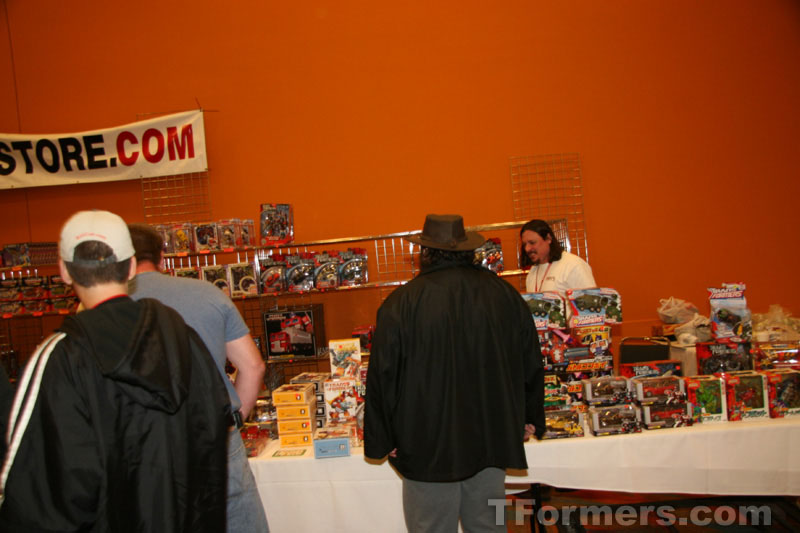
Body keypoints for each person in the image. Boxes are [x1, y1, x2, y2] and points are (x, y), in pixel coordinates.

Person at [0, 210, 230, 531]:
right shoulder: (185, 340)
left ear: (64, 271)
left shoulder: (58, 358)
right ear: (132, 267)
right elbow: (212, 440)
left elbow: (40, 491)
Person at [364, 214, 545, 532]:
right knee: (489, 526)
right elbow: (529, 361)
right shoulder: (505, 296)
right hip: (492, 436)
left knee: (431, 527)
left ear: (425, 252)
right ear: (467, 250)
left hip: (425, 443)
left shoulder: (400, 304)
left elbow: (383, 376)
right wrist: (529, 416)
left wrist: (384, 436)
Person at [127, 223, 269, 533]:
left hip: (141, 444)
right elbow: (253, 366)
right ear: (162, 258)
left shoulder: (101, 309)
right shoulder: (207, 292)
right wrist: (236, 418)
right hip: (213, 432)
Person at [519, 219, 596, 294]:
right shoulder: (533, 270)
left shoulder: (573, 265)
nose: (527, 249)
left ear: (548, 238)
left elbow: (591, 299)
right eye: (525, 244)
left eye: (532, 243)